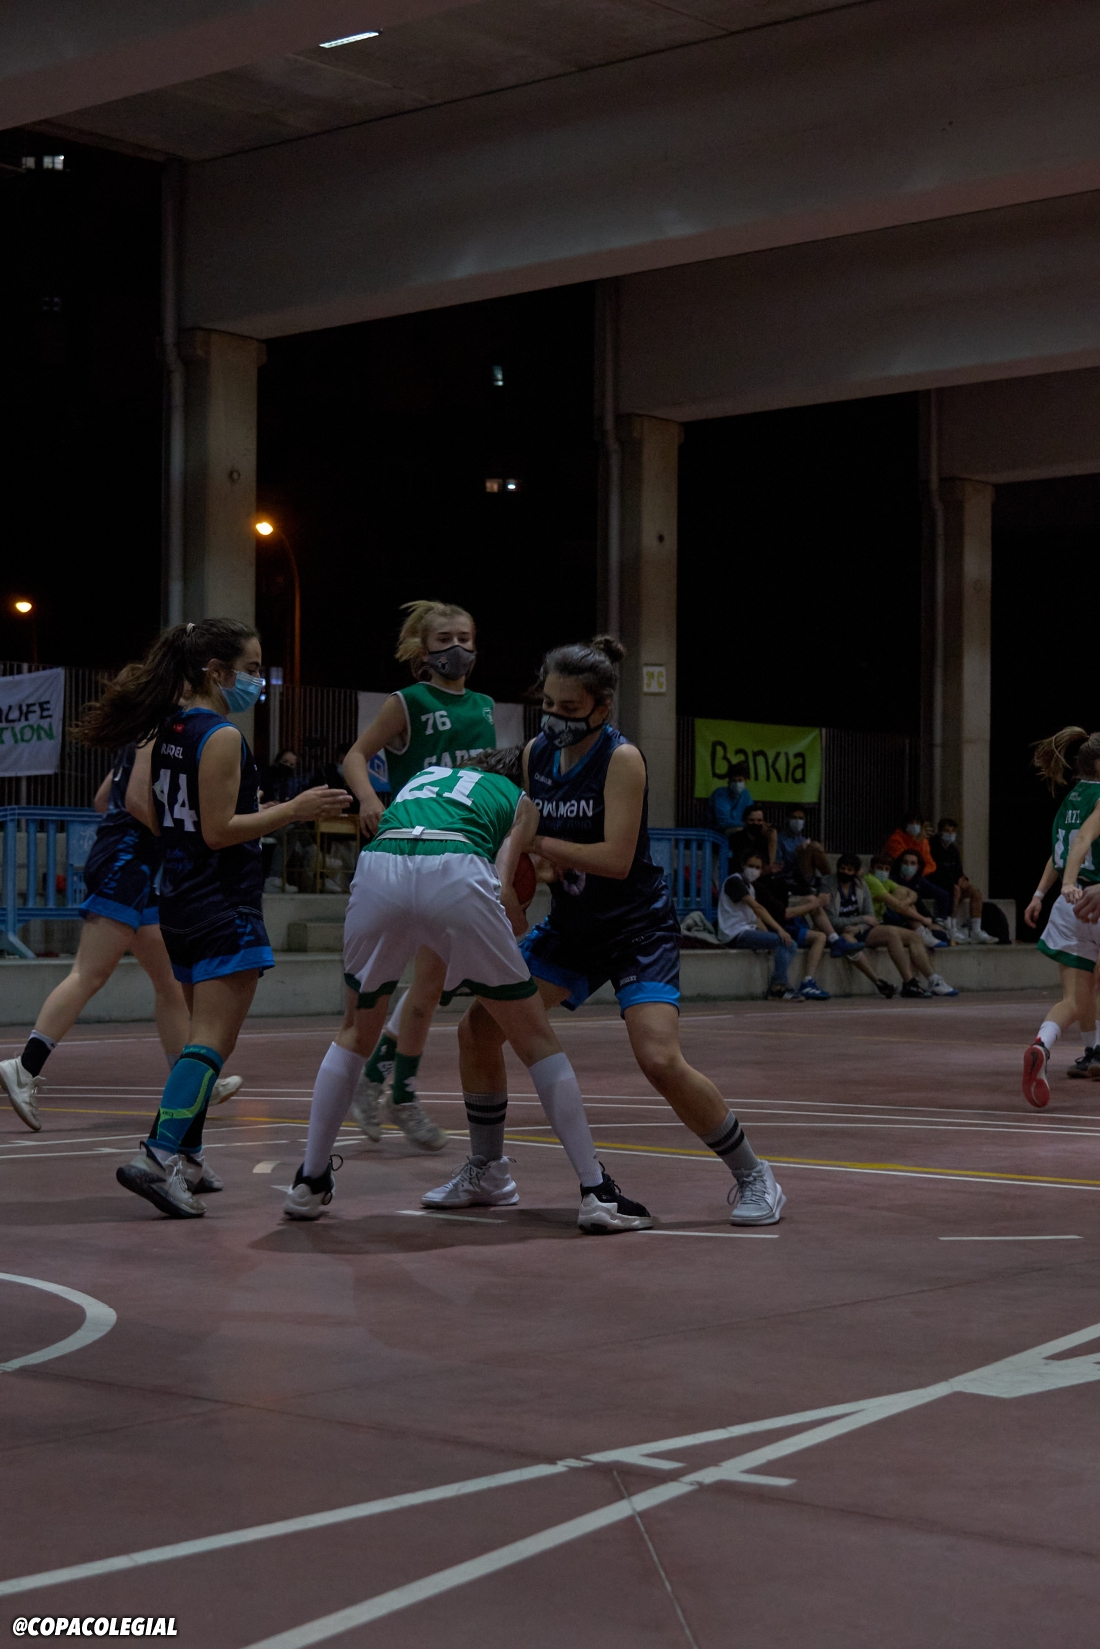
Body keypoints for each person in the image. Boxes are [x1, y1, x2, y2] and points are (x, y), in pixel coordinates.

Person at [451, 636, 785, 1225]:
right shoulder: (537, 754)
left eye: (569, 708)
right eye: (548, 705)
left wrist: (535, 841)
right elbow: (534, 839)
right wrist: (526, 868)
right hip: (571, 927)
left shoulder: (622, 758)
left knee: (659, 1060)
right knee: (478, 1028)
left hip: (636, 929)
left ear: (602, 707)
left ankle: (755, 1175)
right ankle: (488, 1171)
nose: (554, 718)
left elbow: (615, 858)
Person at [285, 751, 653, 1234]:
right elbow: (503, 877)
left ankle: (309, 1181)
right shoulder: (518, 798)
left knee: (355, 1030)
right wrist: (512, 914)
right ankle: (596, 1190)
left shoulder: (425, 777)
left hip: (380, 862)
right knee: (533, 1035)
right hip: (454, 867)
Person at [72, 617, 351, 1218]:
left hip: (178, 895)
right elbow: (221, 830)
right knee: (209, 1043)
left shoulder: (164, 728)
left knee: (200, 1036)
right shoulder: (220, 734)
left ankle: (190, 1157)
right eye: (250, 669)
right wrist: (293, 809)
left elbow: (162, 811)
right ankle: (157, 1156)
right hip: (223, 900)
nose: (258, 680)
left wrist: (241, 814)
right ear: (216, 672)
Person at [0, 731, 242, 1133]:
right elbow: (134, 801)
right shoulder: (156, 736)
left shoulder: (145, 739)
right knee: (88, 973)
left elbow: (103, 799)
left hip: (136, 867)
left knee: (168, 981)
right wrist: (183, 834)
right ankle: (23, 1067)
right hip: (123, 865)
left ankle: (190, 1084)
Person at [340, 599, 498, 1148]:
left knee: (432, 988)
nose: (457, 648)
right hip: (406, 852)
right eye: (444, 639)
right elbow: (355, 756)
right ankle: (371, 1082)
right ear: (423, 650)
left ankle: (397, 1092)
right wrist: (368, 798)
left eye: (465, 638)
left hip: (460, 853)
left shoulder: (484, 706)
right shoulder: (408, 702)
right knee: (378, 989)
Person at [1021, 727, 1100, 1104]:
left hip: (1070, 906)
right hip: (1095, 898)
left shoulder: (1071, 799)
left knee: (1076, 997)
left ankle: (1044, 1044)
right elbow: (1083, 841)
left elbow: (1061, 853)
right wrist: (1070, 882)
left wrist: (1040, 894)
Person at [862, 854, 958, 995]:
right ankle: (909, 982)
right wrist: (923, 919)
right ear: (871, 868)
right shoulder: (870, 880)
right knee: (893, 934)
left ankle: (933, 980)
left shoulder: (887, 882)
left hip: (879, 924)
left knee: (916, 937)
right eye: (879, 868)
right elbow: (896, 905)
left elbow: (912, 894)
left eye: (886, 869)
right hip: (864, 926)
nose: (883, 872)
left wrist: (905, 902)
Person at [717, 850, 800, 1000]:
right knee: (783, 941)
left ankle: (779, 983)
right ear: (743, 865)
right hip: (734, 933)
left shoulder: (750, 887)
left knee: (791, 944)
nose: (754, 870)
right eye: (751, 866)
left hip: (748, 930)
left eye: (758, 867)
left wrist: (767, 936)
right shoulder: (734, 881)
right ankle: (778, 987)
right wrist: (779, 930)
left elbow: (755, 917)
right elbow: (757, 908)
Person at [926, 818, 998, 943]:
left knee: (975, 892)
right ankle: (952, 927)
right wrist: (955, 881)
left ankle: (976, 930)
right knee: (956, 890)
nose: (950, 833)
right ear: (940, 831)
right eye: (947, 830)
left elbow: (958, 871)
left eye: (953, 830)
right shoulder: (932, 847)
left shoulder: (953, 850)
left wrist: (963, 879)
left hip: (952, 882)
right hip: (937, 883)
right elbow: (936, 872)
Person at [880, 814, 951, 920]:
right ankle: (925, 921)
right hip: (898, 876)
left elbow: (930, 864)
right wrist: (917, 842)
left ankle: (943, 920)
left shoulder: (924, 841)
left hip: (917, 876)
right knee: (914, 896)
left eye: (917, 823)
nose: (914, 826)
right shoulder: (895, 839)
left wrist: (917, 872)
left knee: (944, 894)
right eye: (911, 823)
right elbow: (905, 859)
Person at [710, 761, 753, 838]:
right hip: (718, 832)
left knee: (770, 832)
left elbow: (751, 815)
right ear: (729, 782)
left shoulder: (746, 794)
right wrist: (747, 824)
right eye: (734, 781)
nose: (737, 784)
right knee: (742, 832)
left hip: (743, 828)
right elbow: (723, 822)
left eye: (740, 780)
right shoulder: (720, 794)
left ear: (746, 781)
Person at [775, 805, 812, 872]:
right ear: (787, 819)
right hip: (788, 874)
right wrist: (797, 852)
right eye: (794, 818)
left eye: (801, 818)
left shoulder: (803, 840)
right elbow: (778, 865)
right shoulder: (779, 839)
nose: (798, 821)